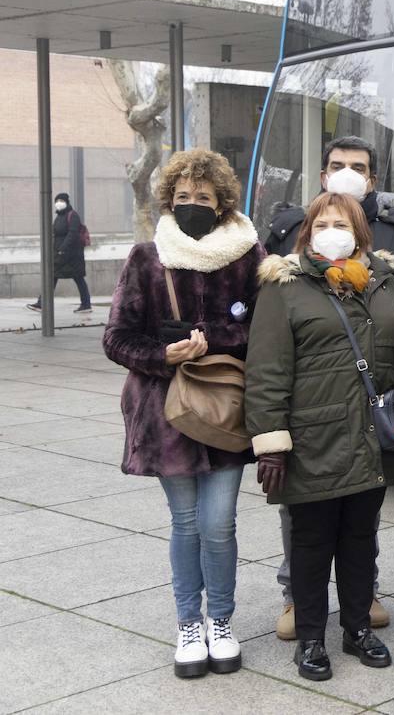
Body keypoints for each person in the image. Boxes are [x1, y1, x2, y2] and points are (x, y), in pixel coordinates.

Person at [102, 148, 264, 678]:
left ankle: (222, 620)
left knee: (219, 524)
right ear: (169, 200)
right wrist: (160, 354)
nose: (192, 204)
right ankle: (189, 624)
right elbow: (117, 338)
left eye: (204, 197)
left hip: (224, 409)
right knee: (187, 523)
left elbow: (263, 329)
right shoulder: (146, 258)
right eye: (183, 196)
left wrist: (210, 341)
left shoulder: (247, 256)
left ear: (222, 204)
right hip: (166, 412)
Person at [246, 192, 394, 681]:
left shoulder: (381, 280)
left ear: (360, 231)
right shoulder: (284, 285)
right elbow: (267, 369)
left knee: (360, 539)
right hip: (311, 436)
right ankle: (311, 637)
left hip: (368, 435)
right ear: (307, 231)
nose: (331, 229)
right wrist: (271, 442)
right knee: (311, 545)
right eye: (322, 222)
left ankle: (357, 628)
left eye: (342, 221)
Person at [263, 136, 394, 272]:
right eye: (337, 167)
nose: (347, 175)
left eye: (358, 168)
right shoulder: (291, 227)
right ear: (324, 178)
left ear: (372, 182)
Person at [28, 192, 92, 313]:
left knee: (78, 278)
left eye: (61, 201)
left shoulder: (73, 216)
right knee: (52, 277)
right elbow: (55, 234)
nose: (59, 203)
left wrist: (62, 248)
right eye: (57, 201)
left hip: (72, 255)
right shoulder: (59, 217)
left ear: (67, 202)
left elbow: (72, 234)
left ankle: (86, 304)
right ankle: (42, 303)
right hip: (60, 254)